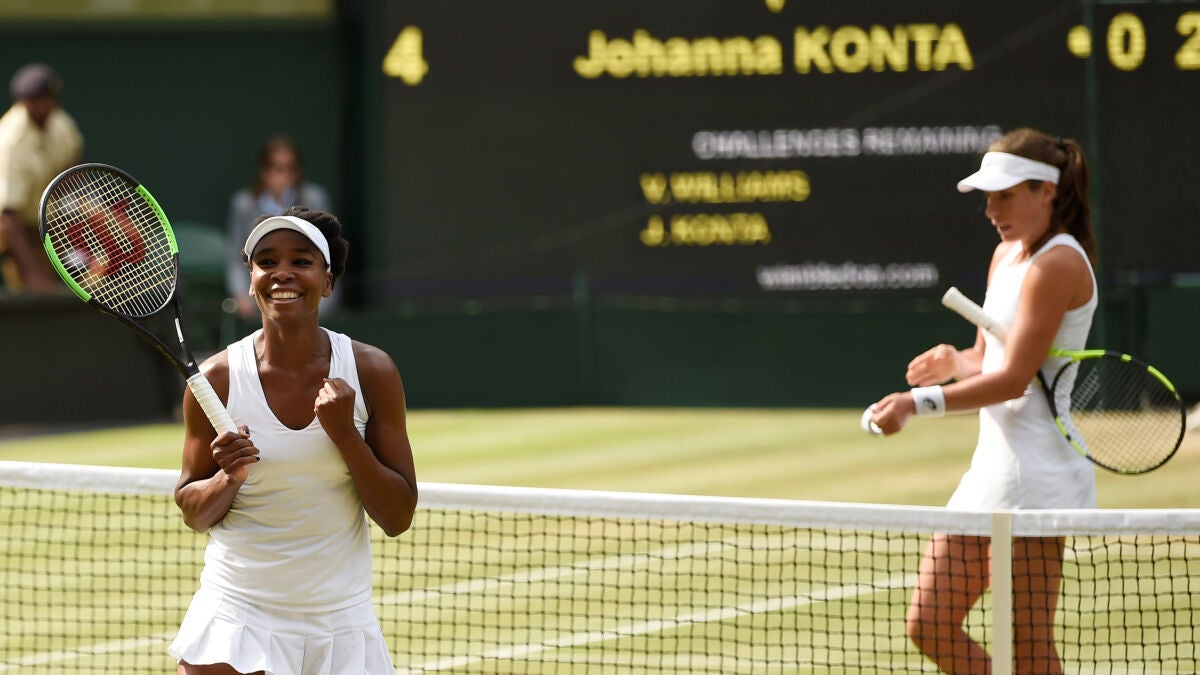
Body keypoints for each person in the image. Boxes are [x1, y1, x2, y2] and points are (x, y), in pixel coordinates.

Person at [867, 128, 1097, 674]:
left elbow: (1014, 379)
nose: (991, 210)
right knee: (929, 623)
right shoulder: (1005, 255)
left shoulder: (1058, 264)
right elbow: (987, 357)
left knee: (1028, 644)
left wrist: (916, 403)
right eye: (988, 198)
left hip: (1038, 478)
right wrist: (955, 362)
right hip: (990, 468)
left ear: (1047, 191)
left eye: (1005, 196)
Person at [169, 207, 417, 674]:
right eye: (266, 261)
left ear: (327, 282)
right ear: (251, 281)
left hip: (340, 624)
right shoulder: (216, 379)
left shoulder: (372, 371)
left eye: (301, 261)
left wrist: (345, 435)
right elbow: (194, 513)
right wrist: (228, 478)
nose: (282, 272)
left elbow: (397, 516)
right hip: (237, 615)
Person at [226, 136, 333, 318]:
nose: (283, 175)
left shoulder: (316, 199)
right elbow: (235, 258)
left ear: (298, 172)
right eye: (276, 168)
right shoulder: (243, 204)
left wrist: (319, 304)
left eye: (290, 168)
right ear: (263, 171)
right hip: (259, 302)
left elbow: (329, 257)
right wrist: (242, 296)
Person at [0, 63, 84, 292]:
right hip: (20, 231)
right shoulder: (10, 142)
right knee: (34, 296)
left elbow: (74, 162)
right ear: (24, 102)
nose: (46, 104)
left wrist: (76, 215)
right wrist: (35, 275)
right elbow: (8, 219)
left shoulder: (60, 122)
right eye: (38, 99)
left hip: (54, 223)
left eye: (50, 97)